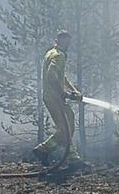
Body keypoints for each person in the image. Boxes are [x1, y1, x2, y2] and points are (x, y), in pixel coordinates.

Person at [33, 30, 87, 170]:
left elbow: (61, 76)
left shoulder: (51, 53)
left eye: (68, 41)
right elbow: (52, 75)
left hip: (52, 97)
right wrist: (62, 92)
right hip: (54, 98)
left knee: (68, 121)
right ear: (59, 41)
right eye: (65, 41)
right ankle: (49, 151)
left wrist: (73, 90)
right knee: (65, 127)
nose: (68, 44)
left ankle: (51, 151)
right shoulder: (59, 55)